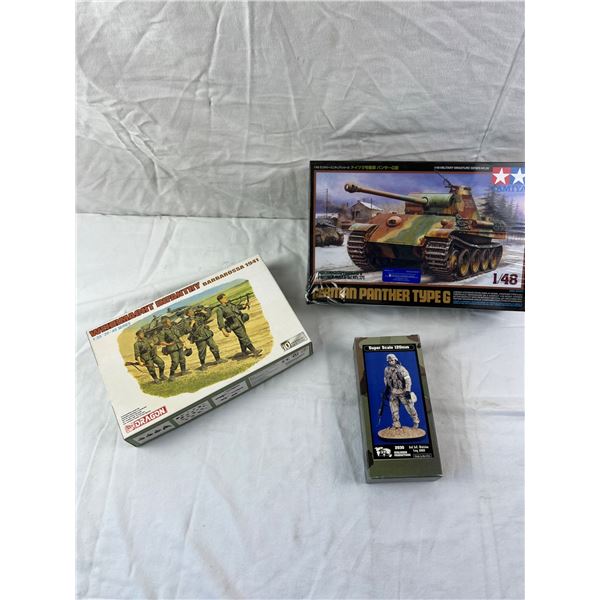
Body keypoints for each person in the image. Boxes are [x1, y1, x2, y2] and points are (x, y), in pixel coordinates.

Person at [383, 353, 419, 429]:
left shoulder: (401, 369)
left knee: (410, 407)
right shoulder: (387, 369)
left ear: (395, 360)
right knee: (394, 409)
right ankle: (396, 425)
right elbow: (386, 379)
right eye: (389, 361)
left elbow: (408, 380)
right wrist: (387, 388)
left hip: (403, 392)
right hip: (393, 392)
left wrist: (408, 390)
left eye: (392, 360)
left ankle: (416, 422)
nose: (391, 362)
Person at [158, 316, 189, 381]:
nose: (170, 323)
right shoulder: (162, 332)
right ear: (165, 323)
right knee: (175, 362)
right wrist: (168, 344)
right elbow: (161, 342)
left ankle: (183, 371)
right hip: (172, 348)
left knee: (182, 359)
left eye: (169, 321)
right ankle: (171, 375)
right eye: (169, 322)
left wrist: (183, 343)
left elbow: (178, 336)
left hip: (179, 345)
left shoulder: (174, 328)